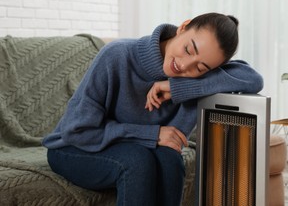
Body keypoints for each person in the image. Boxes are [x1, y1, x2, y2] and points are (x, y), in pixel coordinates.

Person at [42, 12, 263, 206]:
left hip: (133, 147)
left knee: (170, 161)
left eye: (201, 67)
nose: (185, 65)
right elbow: (77, 130)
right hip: (72, 147)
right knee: (137, 161)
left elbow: (252, 79)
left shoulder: (193, 79)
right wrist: (152, 135)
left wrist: (178, 87)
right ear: (183, 27)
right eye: (188, 49)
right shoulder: (117, 55)